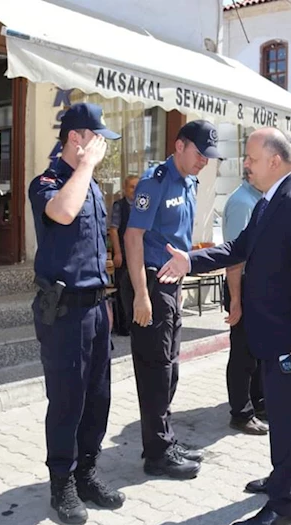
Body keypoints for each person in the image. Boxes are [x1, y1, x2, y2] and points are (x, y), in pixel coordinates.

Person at [158, 128, 291, 525]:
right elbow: (238, 249)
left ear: (275, 160)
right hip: (269, 333)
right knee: (283, 416)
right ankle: (288, 475)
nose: (245, 165)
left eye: (251, 158)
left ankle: (284, 508)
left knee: (286, 420)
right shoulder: (271, 202)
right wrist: (190, 261)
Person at [28, 103, 125, 525]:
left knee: (98, 397)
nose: (101, 146)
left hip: (96, 305)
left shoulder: (95, 187)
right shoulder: (46, 182)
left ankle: (86, 473)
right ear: (75, 138)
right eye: (95, 137)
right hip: (64, 310)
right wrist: (84, 167)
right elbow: (64, 212)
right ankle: (61, 483)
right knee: (66, 399)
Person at [124, 120, 222, 479]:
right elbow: (133, 237)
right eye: (200, 154)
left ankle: (164, 440)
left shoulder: (189, 181)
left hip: (172, 282)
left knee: (170, 368)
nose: (204, 162)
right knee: (154, 369)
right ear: (180, 146)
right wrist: (141, 295)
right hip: (151, 281)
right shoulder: (157, 180)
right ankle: (156, 455)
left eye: (209, 157)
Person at [222, 169, 268, 435]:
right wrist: (236, 300)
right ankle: (241, 412)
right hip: (242, 286)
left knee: (255, 351)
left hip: (255, 287)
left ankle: (256, 402)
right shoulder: (243, 202)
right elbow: (234, 257)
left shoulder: (259, 199)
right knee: (242, 354)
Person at [108, 175, 139, 336]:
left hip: (140, 255)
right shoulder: (120, 206)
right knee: (123, 291)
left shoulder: (143, 205)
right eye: (132, 187)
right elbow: (113, 230)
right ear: (125, 189)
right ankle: (123, 326)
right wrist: (118, 253)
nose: (135, 190)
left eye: (137, 186)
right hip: (124, 255)